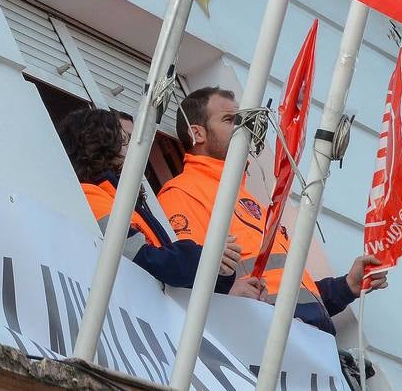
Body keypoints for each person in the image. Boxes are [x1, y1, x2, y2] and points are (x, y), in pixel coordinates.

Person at [159, 87, 387, 335]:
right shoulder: (181, 192)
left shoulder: (243, 195)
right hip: (260, 339)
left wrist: (346, 287)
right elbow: (185, 281)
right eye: (229, 120)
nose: (243, 127)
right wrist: (227, 298)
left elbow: (291, 293)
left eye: (244, 119)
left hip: (305, 342)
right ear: (197, 133)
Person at [59, 107, 263, 298]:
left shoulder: (123, 200)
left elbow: (172, 277)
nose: (138, 148)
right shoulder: (91, 196)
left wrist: (220, 271)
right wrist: (206, 256)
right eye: (124, 140)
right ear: (100, 145)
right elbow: (143, 261)